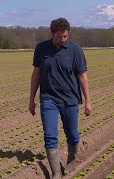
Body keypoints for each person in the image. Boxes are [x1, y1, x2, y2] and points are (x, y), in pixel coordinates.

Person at [29, 17, 92, 178]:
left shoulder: (75, 50)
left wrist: (88, 101)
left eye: (66, 36)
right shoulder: (41, 49)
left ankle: (72, 158)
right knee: (50, 135)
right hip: (48, 98)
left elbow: (82, 76)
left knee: (72, 134)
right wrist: (31, 100)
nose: (63, 40)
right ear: (52, 33)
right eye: (60, 37)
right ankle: (56, 172)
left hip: (70, 99)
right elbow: (36, 74)